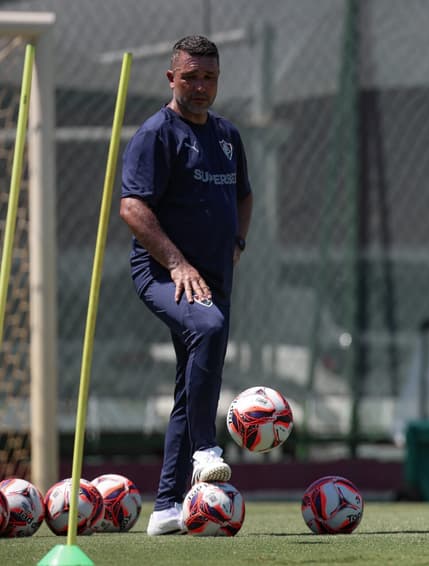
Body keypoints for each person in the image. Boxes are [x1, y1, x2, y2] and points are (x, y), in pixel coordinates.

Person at [119, 34, 253, 536]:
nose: (200, 86)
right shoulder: (157, 134)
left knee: (192, 382)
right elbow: (132, 208)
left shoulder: (226, 136)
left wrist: (238, 243)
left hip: (216, 274)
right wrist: (176, 263)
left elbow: (244, 195)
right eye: (191, 76)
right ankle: (205, 450)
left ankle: (167, 508)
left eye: (209, 77)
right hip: (162, 275)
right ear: (171, 78)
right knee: (211, 328)